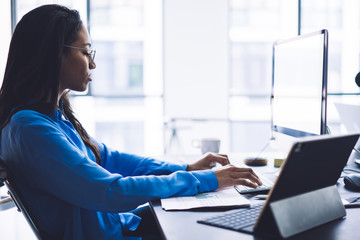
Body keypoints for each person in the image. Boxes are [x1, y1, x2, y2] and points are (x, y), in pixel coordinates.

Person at [0, 4, 262, 240]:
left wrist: (187, 167)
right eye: (85, 51)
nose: (93, 63)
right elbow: (109, 192)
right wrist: (207, 179)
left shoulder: (53, 118)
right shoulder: (30, 129)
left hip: (121, 228)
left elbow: (110, 158)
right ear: (54, 54)